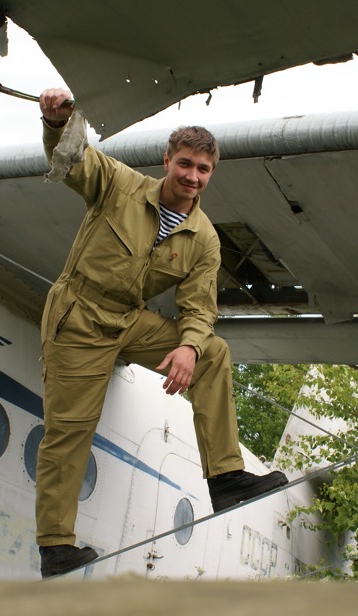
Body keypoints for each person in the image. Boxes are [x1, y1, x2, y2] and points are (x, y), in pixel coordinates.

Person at [35, 88, 288, 578]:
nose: (193, 177)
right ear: (167, 160)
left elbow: (199, 308)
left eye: (204, 170)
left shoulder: (205, 238)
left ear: (211, 175)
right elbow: (72, 163)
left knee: (213, 351)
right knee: (68, 432)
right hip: (79, 317)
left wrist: (190, 347)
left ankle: (227, 478)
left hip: (129, 320)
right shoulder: (118, 184)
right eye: (186, 164)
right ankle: (56, 546)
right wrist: (57, 122)